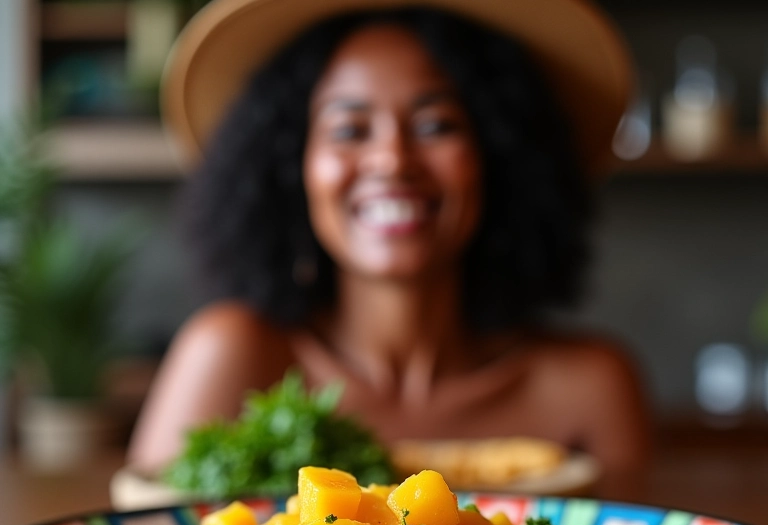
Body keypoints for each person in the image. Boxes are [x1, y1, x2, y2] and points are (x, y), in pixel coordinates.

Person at [127, 0, 652, 476]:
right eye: (350, 130)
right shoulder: (231, 356)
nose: (393, 160)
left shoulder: (591, 388)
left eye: (435, 126)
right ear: (290, 167)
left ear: (500, 156)